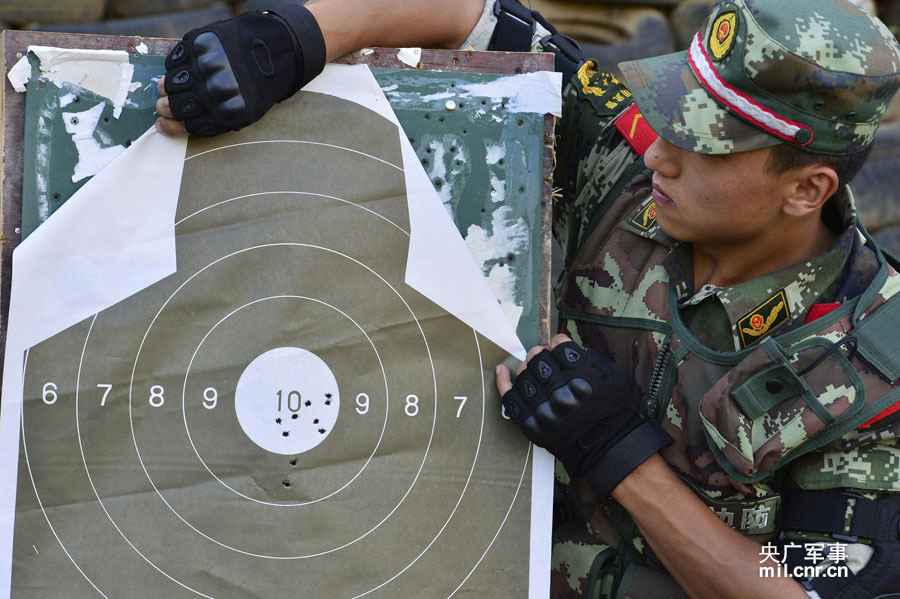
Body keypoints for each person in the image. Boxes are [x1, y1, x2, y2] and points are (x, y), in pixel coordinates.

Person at [155, 1, 900, 597]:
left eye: (703, 143)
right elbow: (464, 12)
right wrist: (291, 38)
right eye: (673, 110)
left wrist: (619, 457)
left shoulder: (872, 367)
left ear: (807, 189)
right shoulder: (627, 161)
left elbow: (810, 590)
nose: (662, 151)